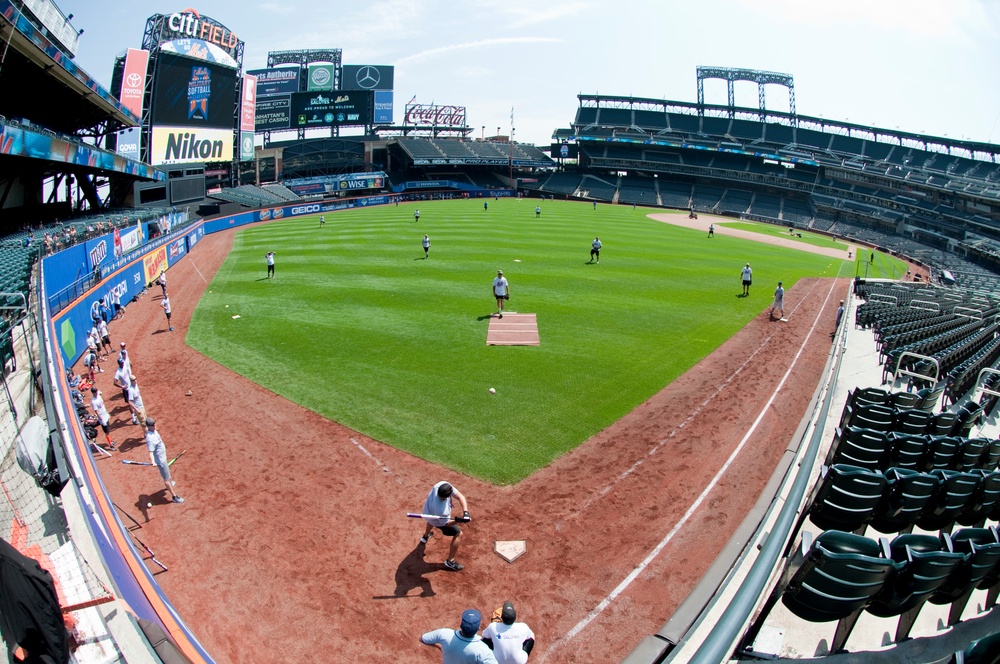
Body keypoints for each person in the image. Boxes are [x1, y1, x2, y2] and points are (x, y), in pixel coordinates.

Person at [420, 481, 470, 572]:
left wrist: (466, 512)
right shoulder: (442, 510)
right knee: (458, 533)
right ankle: (450, 561)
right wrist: (458, 521)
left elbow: (460, 496)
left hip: (428, 513)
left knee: (431, 520)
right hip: (438, 520)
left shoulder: (439, 485)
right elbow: (446, 524)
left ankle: (425, 537)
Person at [420, 609, 497, 664]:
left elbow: (422, 639)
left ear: (461, 624)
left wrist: (438, 646)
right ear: (479, 628)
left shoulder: (444, 634)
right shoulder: (483, 650)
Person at [144, 418, 185, 504]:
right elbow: (150, 452)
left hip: (163, 458)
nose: (155, 426)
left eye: (155, 424)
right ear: (149, 427)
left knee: (167, 474)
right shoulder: (149, 439)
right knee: (166, 479)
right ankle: (174, 497)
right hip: (161, 461)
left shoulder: (154, 431)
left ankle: (170, 482)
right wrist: (153, 461)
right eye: (153, 425)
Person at [90, 386, 115, 451]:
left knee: (108, 430)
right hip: (102, 417)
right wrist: (101, 419)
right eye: (94, 392)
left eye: (96, 391)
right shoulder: (93, 401)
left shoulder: (98, 395)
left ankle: (111, 441)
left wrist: (106, 413)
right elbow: (96, 411)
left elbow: (100, 395)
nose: (96, 393)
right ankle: (111, 445)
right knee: (106, 431)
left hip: (105, 414)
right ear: (92, 393)